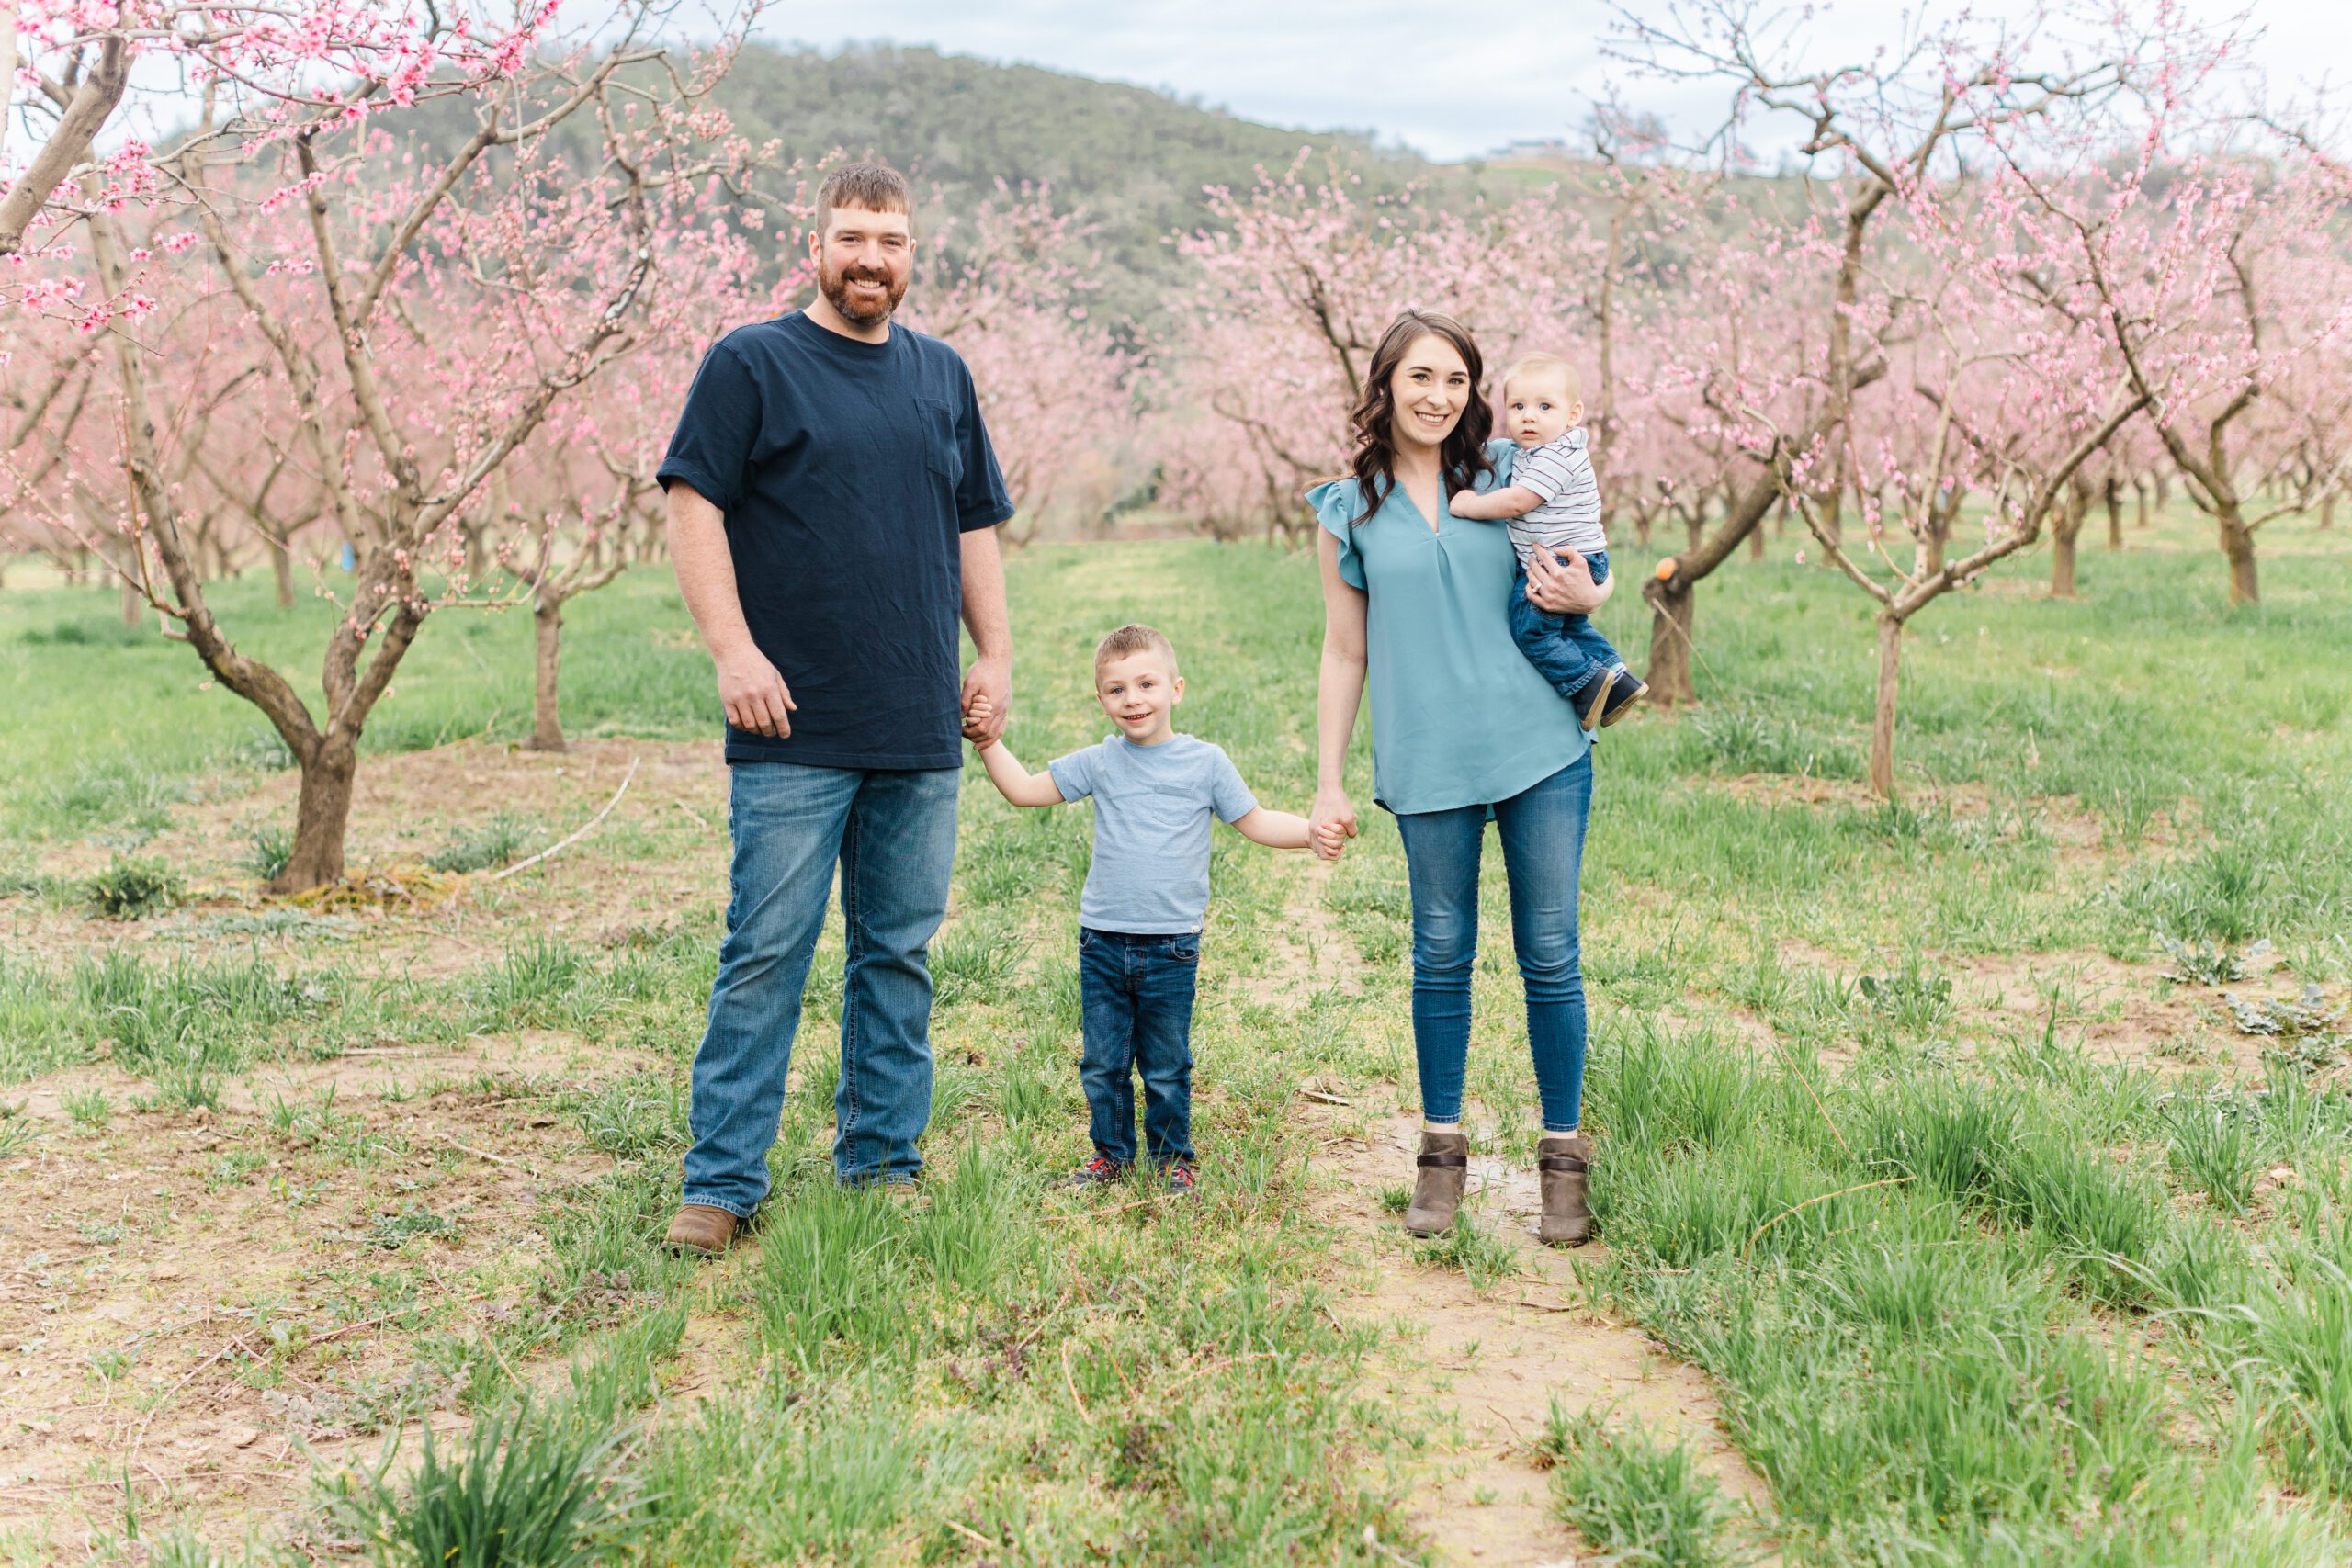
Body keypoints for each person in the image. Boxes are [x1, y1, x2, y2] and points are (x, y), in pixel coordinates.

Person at [655, 161, 1016, 1257]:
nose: (872, 258)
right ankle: (720, 1183)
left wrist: (994, 650)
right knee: (766, 951)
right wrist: (733, 652)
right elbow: (691, 503)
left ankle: (882, 1161)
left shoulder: (940, 375)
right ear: (815, 247)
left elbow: (973, 524)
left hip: (915, 718)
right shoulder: (752, 362)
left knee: (897, 952)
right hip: (788, 722)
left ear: (913, 254)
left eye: (892, 240)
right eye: (853, 237)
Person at [1306, 310, 1612, 1247]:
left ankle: (1562, 1160)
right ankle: (1440, 1158)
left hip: (1540, 747)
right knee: (1440, 953)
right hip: (1427, 754)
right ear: (1385, 385)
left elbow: (1583, 557)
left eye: (1454, 381)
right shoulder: (1345, 509)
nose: (1438, 398)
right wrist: (1327, 779)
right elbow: (1343, 648)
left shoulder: (1513, 470)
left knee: (1549, 951)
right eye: (1419, 379)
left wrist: (1591, 594)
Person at [967, 625, 1340, 1191]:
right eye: (1116, 690)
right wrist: (988, 742)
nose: (1133, 699)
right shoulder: (1098, 762)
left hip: (1171, 943)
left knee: (1166, 1063)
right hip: (1103, 940)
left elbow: (1257, 821)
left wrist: (1311, 832)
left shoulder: (1205, 763)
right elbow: (1022, 789)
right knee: (1103, 1062)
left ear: (1176, 688)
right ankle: (1111, 1155)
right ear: (1101, 701)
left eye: (1146, 684)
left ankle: (1172, 1161)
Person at [1447, 352, 1645, 729]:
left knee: (1530, 630)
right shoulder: (1532, 452)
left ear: (1572, 415)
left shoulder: (1559, 453)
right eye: (1518, 406)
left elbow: (1521, 500)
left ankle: (1587, 682)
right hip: (1572, 560)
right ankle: (1618, 679)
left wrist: (1471, 504)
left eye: (1544, 406)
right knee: (1571, 629)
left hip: (1562, 565)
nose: (1529, 416)